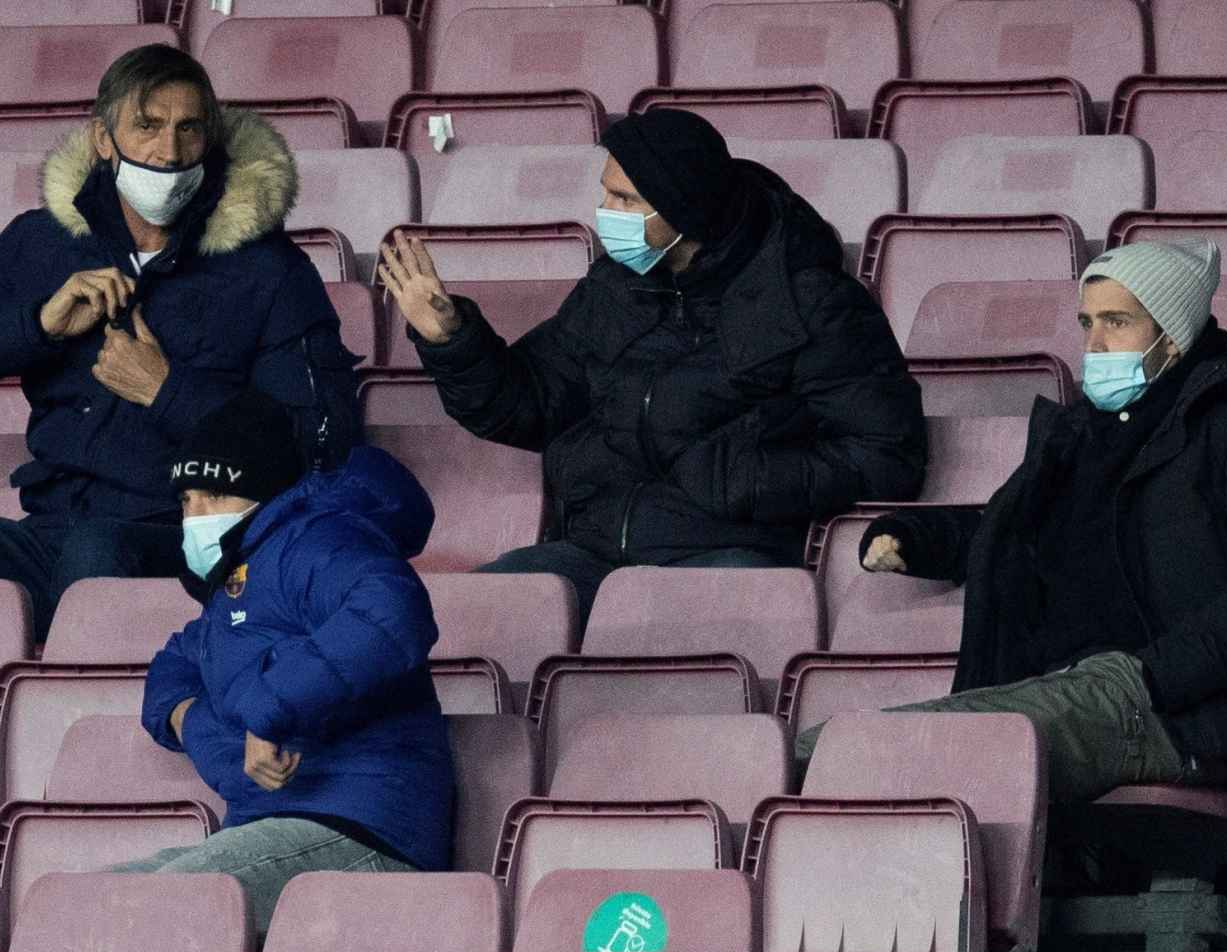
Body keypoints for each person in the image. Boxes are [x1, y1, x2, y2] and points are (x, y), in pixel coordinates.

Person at [0, 44, 360, 640]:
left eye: (188, 129)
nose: (169, 151)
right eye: (147, 127)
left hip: (176, 540)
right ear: (103, 139)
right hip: (46, 534)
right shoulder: (44, 243)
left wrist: (167, 391)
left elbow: (320, 446)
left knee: (96, 554)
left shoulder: (269, 270)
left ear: (212, 141)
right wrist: (37, 325)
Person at [798, 239, 1227, 804]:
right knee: (829, 748)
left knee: (896, 754)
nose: (1094, 344)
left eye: (1117, 321)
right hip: (1072, 688)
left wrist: (1150, 676)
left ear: (1174, 336)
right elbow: (1019, 530)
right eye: (1086, 323)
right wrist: (919, 538)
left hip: (1192, 713)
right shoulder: (1085, 436)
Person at [379, 108, 926, 613]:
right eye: (606, 196)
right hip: (592, 552)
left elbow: (888, 455)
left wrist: (745, 480)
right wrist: (453, 341)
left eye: (626, 202)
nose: (605, 215)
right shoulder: (614, 288)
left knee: (665, 631)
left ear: (685, 209)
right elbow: (528, 405)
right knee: (457, 616)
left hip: (727, 553)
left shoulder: (810, 301)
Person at [126, 390, 452, 937]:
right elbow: (174, 666)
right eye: (187, 500)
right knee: (79, 903)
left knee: (153, 911)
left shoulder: (318, 540)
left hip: (364, 824)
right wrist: (195, 722)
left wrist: (271, 711)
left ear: (259, 493)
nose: (195, 516)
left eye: (215, 495)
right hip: (269, 827)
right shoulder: (231, 589)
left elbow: (393, 613)